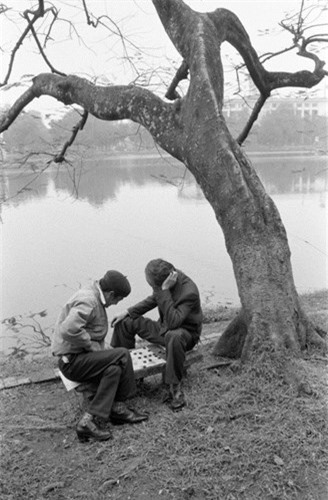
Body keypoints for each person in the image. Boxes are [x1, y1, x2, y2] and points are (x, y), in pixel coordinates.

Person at [52, 270, 148, 443]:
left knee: (113, 369)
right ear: (111, 294)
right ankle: (121, 406)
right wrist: (90, 345)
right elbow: (69, 329)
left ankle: (87, 423)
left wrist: (102, 350)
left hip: (81, 359)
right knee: (123, 353)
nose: (117, 303)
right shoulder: (88, 300)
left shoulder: (95, 295)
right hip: (72, 362)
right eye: (118, 299)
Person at [110, 259, 203, 411]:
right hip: (164, 329)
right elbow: (153, 300)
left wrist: (164, 290)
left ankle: (174, 388)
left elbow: (174, 322)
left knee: (173, 336)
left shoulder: (189, 292)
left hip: (185, 335)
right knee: (125, 322)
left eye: (153, 286)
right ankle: (125, 373)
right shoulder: (166, 282)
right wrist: (127, 312)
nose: (153, 289)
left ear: (164, 283)